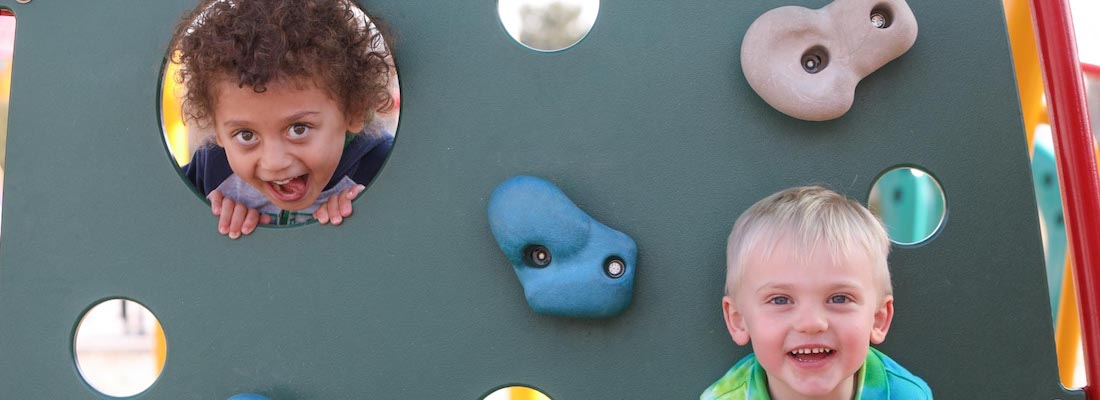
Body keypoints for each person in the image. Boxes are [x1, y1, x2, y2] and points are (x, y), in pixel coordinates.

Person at [170, 0, 395, 238]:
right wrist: (207, 216)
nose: (274, 162)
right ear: (217, 130)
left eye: (299, 129)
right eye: (246, 135)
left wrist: (373, 214)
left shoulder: (381, 167)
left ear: (354, 112)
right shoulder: (210, 173)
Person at [702, 186, 932, 400]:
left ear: (878, 319)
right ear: (738, 320)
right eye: (780, 300)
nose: (811, 323)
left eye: (839, 298)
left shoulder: (905, 395)